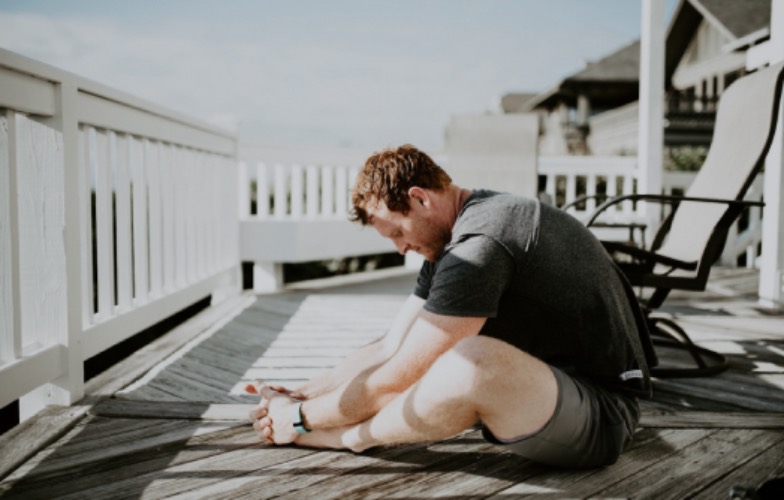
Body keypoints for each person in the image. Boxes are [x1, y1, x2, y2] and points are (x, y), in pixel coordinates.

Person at [247, 144, 654, 469]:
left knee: (469, 362)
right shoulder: (451, 239)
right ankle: (330, 427)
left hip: (601, 415)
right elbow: (392, 346)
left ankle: (350, 439)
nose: (401, 247)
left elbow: (398, 377)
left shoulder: (480, 245)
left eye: (397, 233)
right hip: (547, 392)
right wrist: (301, 394)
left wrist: (302, 420)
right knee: (428, 354)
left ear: (419, 198)